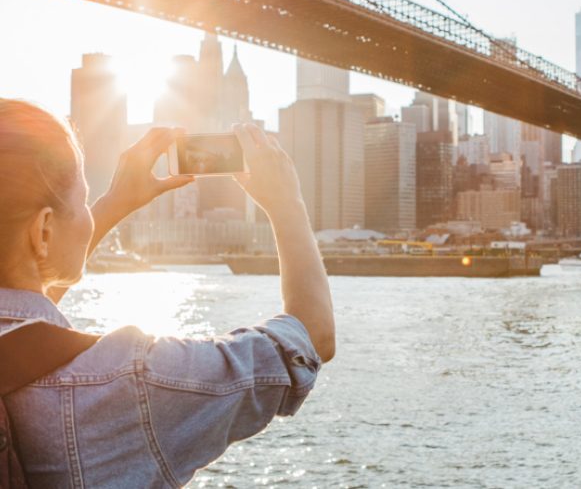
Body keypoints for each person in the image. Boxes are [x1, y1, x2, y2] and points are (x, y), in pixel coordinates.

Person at [0, 99, 335, 487]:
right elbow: (310, 337)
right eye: (83, 202)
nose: (90, 214)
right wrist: (286, 201)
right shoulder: (129, 380)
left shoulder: (23, 350)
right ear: (43, 231)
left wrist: (115, 203)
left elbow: (23, 325)